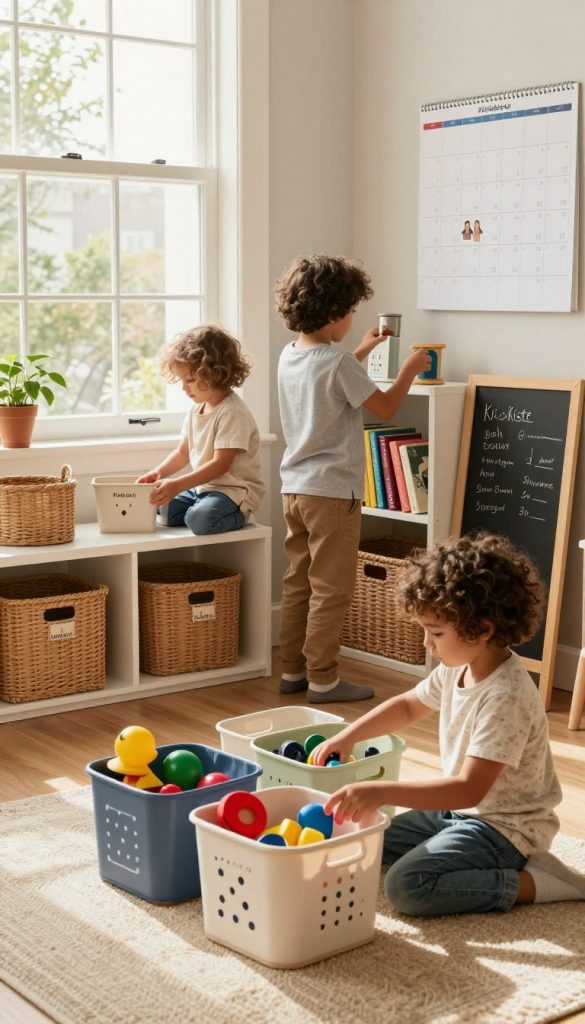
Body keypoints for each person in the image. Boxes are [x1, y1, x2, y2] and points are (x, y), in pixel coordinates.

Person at [313, 532, 585, 915]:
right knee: (367, 840)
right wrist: (348, 736)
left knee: (408, 886)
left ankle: (539, 881)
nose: (428, 643)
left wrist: (382, 791)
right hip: (458, 815)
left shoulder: (506, 695)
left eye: (436, 633)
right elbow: (408, 706)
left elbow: (468, 789)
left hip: (506, 829)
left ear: (483, 629)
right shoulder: (456, 669)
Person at [275, 252, 432, 704]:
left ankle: (293, 672)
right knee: (332, 590)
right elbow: (384, 408)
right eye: (350, 313)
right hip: (332, 494)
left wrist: (361, 349)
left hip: (296, 489)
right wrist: (407, 371)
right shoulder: (338, 364)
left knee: (299, 582)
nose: (351, 320)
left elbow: (328, 379)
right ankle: (323, 679)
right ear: (334, 313)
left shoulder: (292, 356)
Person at [137, 324, 265, 535]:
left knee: (200, 521)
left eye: (190, 380)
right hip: (204, 489)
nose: (184, 388)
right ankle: (198, 510)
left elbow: (219, 465)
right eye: (182, 380)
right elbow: (182, 452)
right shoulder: (196, 410)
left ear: (215, 373)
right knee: (160, 505)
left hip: (232, 492)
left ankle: (241, 514)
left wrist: (177, 485)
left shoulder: (232, 412)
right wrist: (158, 472)